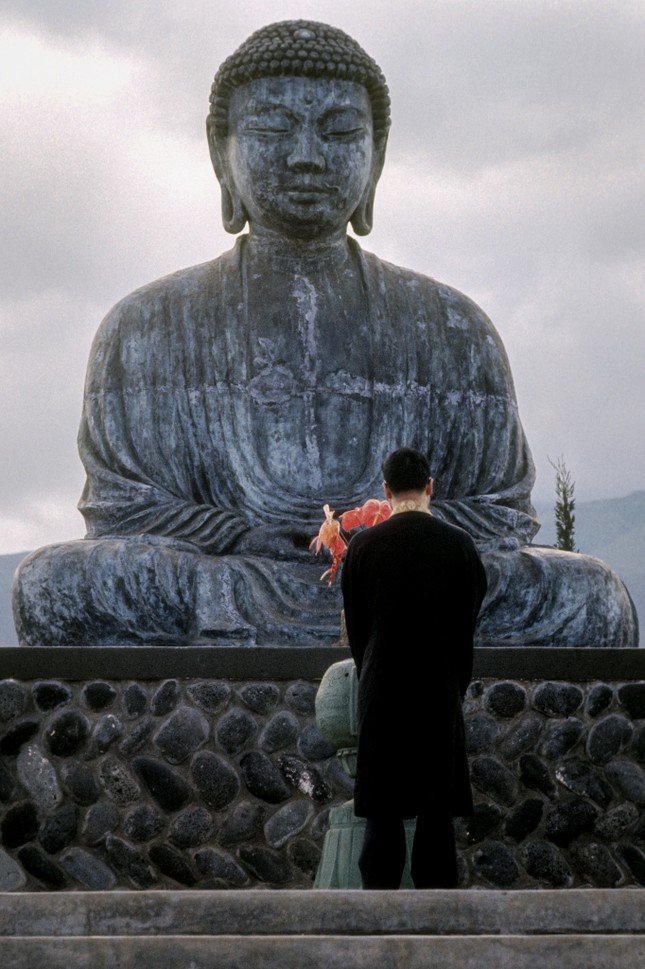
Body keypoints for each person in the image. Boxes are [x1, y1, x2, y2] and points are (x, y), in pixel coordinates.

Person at [13, 20, 638, 648]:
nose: (306, 156)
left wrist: (392, 534)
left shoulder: (455, 329)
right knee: (56, 584)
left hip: (404, 582)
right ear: (219, 151)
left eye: (338, 132)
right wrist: (238, 536)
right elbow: (123, 512)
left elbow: (501, 515)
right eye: (272, 129)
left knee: (589, 595)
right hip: (235, 579)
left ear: (378, 154)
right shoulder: (143, 327)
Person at [341, 448, 486, 889]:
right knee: (436, 819)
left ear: (384, 490)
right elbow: (466, 627)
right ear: (431, 486)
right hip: (438, 690)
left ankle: (376, 931)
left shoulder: (363, 547)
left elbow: (359, 633)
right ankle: (437, 931)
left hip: (383, 690)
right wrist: (451, 680)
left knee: (382, 820)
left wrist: (376, 669)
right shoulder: (459, 545)